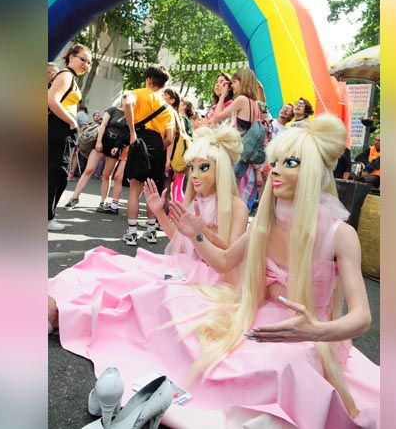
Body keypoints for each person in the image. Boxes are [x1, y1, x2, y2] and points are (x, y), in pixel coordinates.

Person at [164, 114, 379, 427]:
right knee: (187, 328)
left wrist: (316, 331)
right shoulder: (263, 226)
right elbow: (224, 261)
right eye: (274, 161)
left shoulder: (340, 235)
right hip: (259, 321)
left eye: (289, 162)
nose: (275, 169)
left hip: (311, 336)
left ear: (314, 172)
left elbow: (362, 318)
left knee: (284, 369)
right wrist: (196, 235)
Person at [48, 123, 249, 330]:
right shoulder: (196, 201)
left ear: (222, 170)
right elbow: (179, 239)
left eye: (203, 167)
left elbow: (231, 256)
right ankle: (59, 303)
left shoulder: (237, 207)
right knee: (114, 271)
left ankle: (63, 315)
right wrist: (159, 212)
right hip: (183, 266)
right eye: (193, 167)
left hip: (210, 279)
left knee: (142, 293)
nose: (195, 175)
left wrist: (203, 233)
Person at [122, 65, 176, 246]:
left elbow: (127, 103)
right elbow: (170, 138)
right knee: (154, 190)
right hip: (157, 146)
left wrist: (132, 132)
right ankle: (151, 231)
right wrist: (158, 146)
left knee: (135, 188)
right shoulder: (168, 108)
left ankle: (131, 233)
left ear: (148, 79)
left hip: (139, 140)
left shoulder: (140, 93)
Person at [47, 43, 91, 231]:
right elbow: (51, 100)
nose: (86, 65)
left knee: (58, 173)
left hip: (61, 129)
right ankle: (47, 217)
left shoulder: (69, 76)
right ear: (71, 57)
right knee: (57, 173)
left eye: (89, 62)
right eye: (83, 59)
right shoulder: (66, 75)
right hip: (59, 128)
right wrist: (71, 121)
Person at [211, 68, 266, 210]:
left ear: (243, 83)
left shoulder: (242, 100)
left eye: (234, 82)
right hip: (244, 158)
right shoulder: (254, 105)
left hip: (234, 155)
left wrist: (223, 96)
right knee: (232, 196)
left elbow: (217, 117)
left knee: (225, 197)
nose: (232, 86)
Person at [64, 102, 129, 213]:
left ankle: (102, 202)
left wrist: (118, 147)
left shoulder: (130, 115)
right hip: (103, 141)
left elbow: (126, 134)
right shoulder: (113, 110)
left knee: (106, 175)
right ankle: (74, 198)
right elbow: (103, 125)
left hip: (115, 147)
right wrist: (99, 141)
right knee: (89, 169)